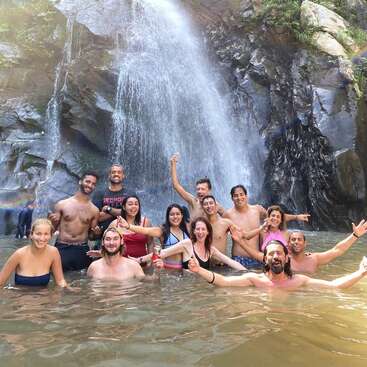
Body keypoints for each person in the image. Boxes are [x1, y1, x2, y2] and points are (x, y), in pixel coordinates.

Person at [188, 240, 367, 290]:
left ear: (286, 258)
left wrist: (361, 273)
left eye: (279, 253)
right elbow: (223, 282)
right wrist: (198, 269)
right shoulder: (254, 280)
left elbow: (334, 286)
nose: (275, 256)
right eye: (271, 253)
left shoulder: (299, 281)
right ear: (265, 259)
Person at [232, 219, 367, 274]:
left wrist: (354, 236)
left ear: (305, 243)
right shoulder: (283, 259)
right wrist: (240, 241)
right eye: (293, 240)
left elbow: (337, 250)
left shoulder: (314, 259)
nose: (296, 242)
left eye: (299, 240)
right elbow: (257, 254)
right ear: (288, 244)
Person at [223, 185, 309, 268]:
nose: (239, 198)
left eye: (241, 194)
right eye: (236, 196)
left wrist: (296, 217)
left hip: (259, 258)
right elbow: (220, 234)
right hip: (239, 258)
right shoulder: (228, 214)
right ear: (232, 198)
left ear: (246, 196)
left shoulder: (257, 209)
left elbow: (275, 217)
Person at [137, 217, 247, 271]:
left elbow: (229, 261)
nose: (200, 232)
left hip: (202, 287)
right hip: (187, 288)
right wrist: (139, 260)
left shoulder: (210, 250)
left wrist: (246, 272)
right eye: (197, 229)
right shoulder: (187, 244)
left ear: (208, 232)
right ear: (193, 231)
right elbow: (162, 253)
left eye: (203, 229)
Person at [48, 171, 100, 272]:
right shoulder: (62, 204)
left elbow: (92, 237)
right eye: (88, 181)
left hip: (82, 249)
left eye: (93, 184)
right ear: (80, 181)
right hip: (62, 247)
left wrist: (96, 233)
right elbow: (51, 231)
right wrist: (51, 222)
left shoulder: (94, 210)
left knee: (82, 282)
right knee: (57, 279)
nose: (90, 185)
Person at [115, 203, 189, 270]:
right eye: (172, 214)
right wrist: (128, 226)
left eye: (178, 214)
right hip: (169, 270)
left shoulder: (186, 230)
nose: (175, 217)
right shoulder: (163, 231)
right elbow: (145, 230)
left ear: (182, 215)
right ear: (168, 217)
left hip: (185, 271)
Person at [0, 218, 67, 287]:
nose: (42, 238)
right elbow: (1, 282)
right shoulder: (19, 254)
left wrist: (70, 290)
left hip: (44, 297)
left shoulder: (53, 252)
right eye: (38, 234)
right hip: (20, 297)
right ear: (31, 235)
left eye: (46, 234)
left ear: (51, 236)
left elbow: (60, 280)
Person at [87, 228, 159, 281]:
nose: (111, 243)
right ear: (103, 242)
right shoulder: (94, 267)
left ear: (121, 241)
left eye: (115, 239)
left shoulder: (133, 266)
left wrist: (157, 270)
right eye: (108, 239)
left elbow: (149, 285)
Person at [170, 153, 224, 221]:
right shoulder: (193, 201)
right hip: (193, 231)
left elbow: (228, 217)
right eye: (198, 189)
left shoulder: (216, 205)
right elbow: (176, 186)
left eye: (202, 189)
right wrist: (173, 164)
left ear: (209, 190)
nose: (199, 191)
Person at [93, 164, 131, 235]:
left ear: (123, 176)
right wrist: (122, 211)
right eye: (113, 172)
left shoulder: (130, 193)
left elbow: (132, 213)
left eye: (119, 172)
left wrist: (108, 209)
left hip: (126, 235)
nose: (116, 174)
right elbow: (96, 217)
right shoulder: (99, 193)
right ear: (109, 175)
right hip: (104, 236)